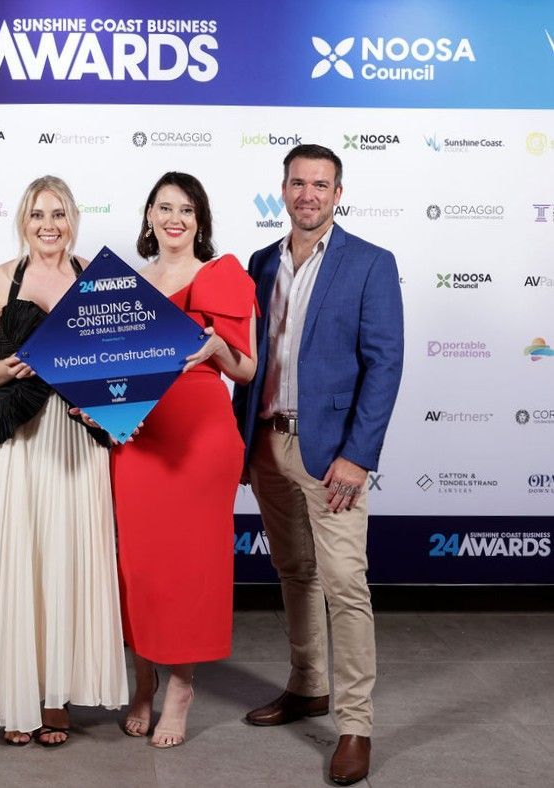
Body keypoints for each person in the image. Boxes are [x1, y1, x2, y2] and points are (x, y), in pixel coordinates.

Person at [233, 144, 403, 785]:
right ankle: (307, 686)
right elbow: (250, 363)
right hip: (268, 445)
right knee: (293, 572)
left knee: (345, 588)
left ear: (338, 192)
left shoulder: (369, 263)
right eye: (298, 183)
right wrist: (242, 442)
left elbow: (384, 365)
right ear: (283, 188)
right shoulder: (259, 263)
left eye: (321, 184)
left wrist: (359, 457)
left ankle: (354, 725)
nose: (309, 194)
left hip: (333, 455)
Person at [0, 175, 128, 746]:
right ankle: (15, 699)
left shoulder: (101, 282)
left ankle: (57, 698)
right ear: (23, 221)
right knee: (17, 558)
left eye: (58, 214)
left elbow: (120, 373)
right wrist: (13, 366)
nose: (48, 225)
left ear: (73, 218)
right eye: (37, 215)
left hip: (75, 439)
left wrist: (115, 408)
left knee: (69, 558)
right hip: (14, 440)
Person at [110, 172, 258, 748]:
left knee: (191, 566)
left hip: (199, 436)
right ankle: (141, 681)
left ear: (200, 220)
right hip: (138, 438)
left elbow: (244, 369)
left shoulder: (221, 275)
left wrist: (219, 347)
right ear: (148, 215)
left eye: (187, 209)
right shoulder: (124, 285)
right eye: (165, 206)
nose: (175, 217)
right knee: (140, 566)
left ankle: (180, 689)